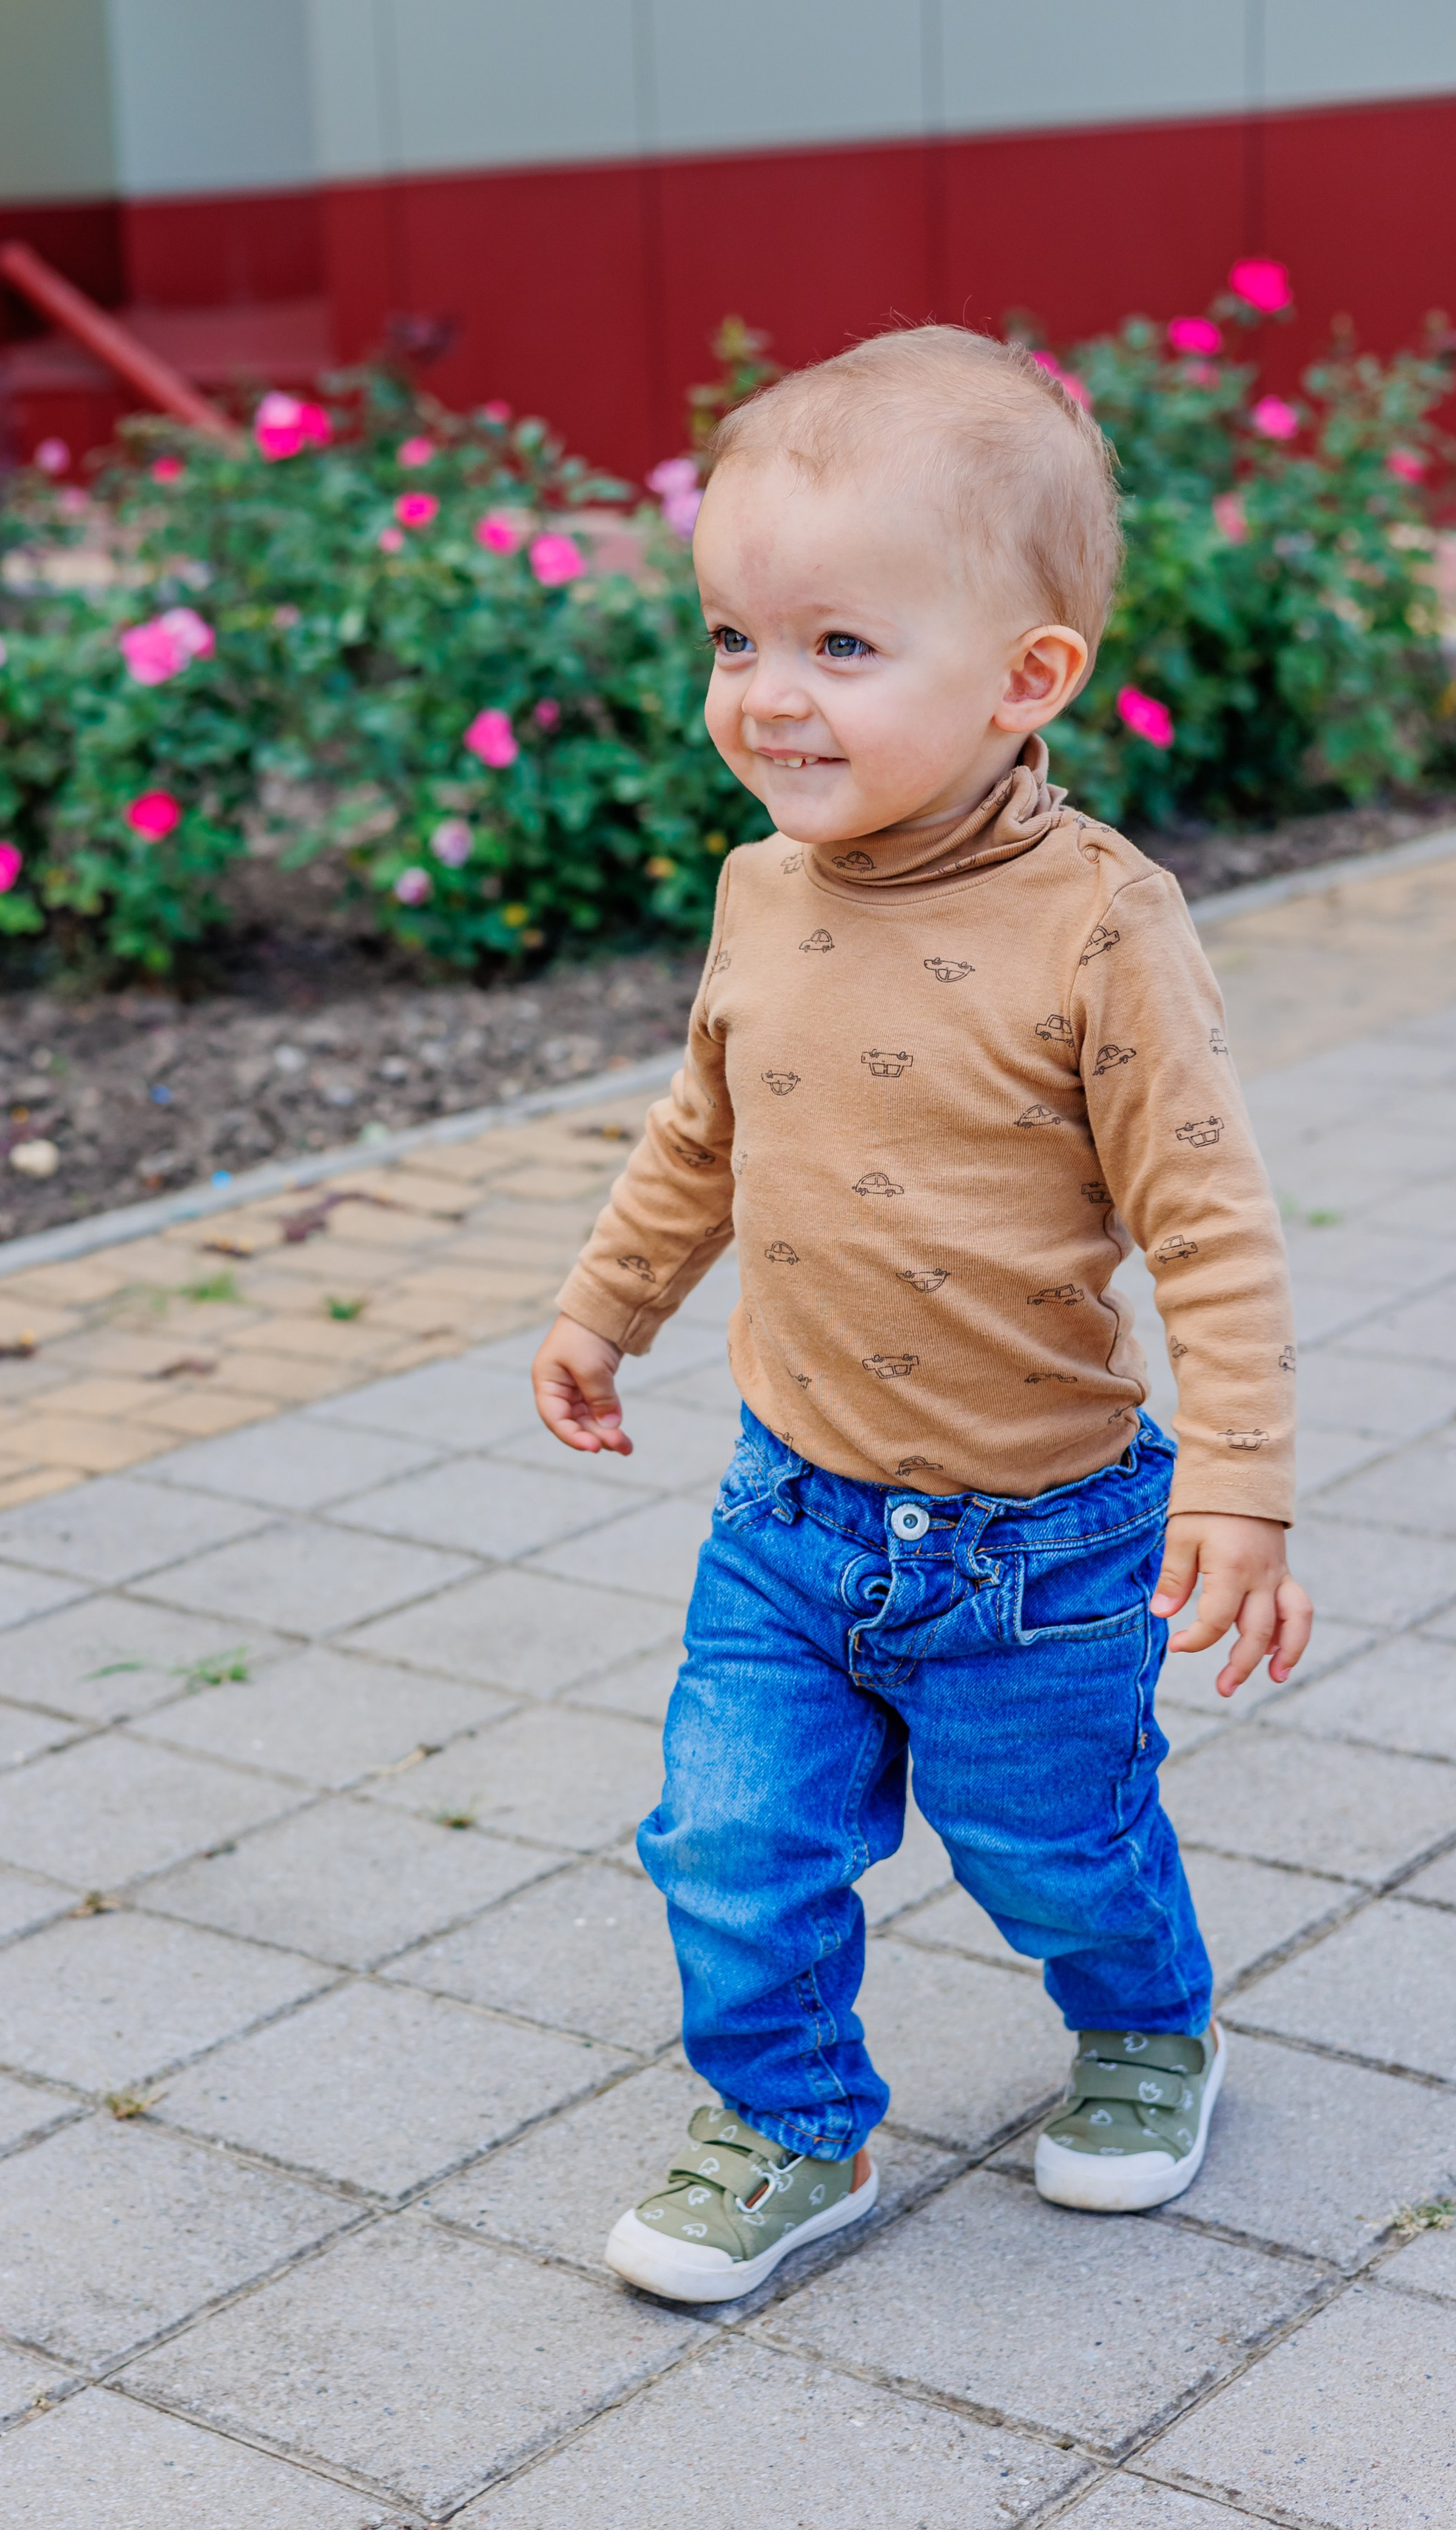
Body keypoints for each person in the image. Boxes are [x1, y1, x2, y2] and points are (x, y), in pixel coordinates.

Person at [530, 326, 1312, 2304]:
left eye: (840, 650)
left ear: (1025, 679)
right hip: (789, 1518)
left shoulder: (1099, 927)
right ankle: (795, 2125)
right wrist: (601, 1311)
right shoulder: (762, 888)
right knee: (725, 1837)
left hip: (1040, 1547)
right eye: (733, 640)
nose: (767, 699)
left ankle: (1150, 2028)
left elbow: (1208, 1227)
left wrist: (1242, 1484)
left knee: (1056, 1847)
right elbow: (702, 1135)